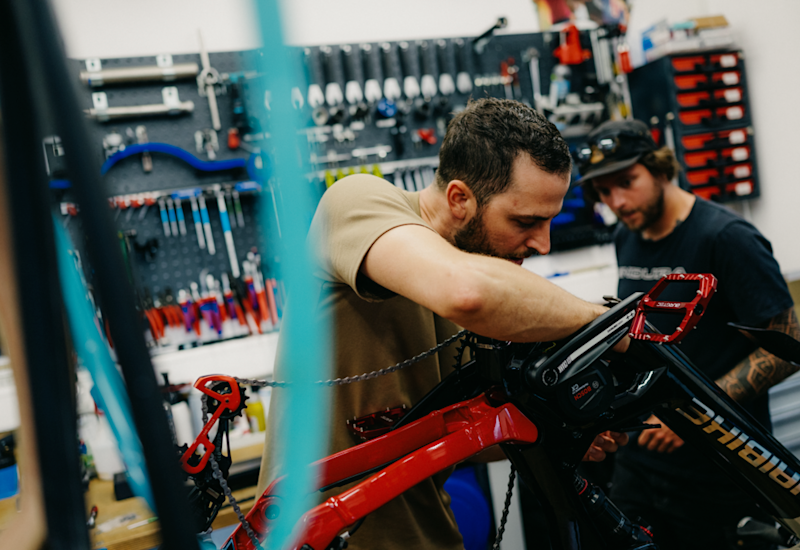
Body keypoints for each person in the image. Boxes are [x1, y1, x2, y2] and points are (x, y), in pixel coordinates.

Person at [257, 98, 628, 550]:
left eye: (548, 221)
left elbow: (459, 436)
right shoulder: (358, 201)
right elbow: (464, 292)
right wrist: (606, 322)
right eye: (526, 221)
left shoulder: (485, 282)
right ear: (459, 199)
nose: (544, 244)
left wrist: (555, 430)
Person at [578, 118, 800, 550]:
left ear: (661, 169)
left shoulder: (726, 238)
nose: (618, 201)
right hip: (641, 464)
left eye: (627, 181)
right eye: (605, 191)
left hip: (719, 470)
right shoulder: (627, 236)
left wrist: (693, 414)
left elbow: (786, 349)